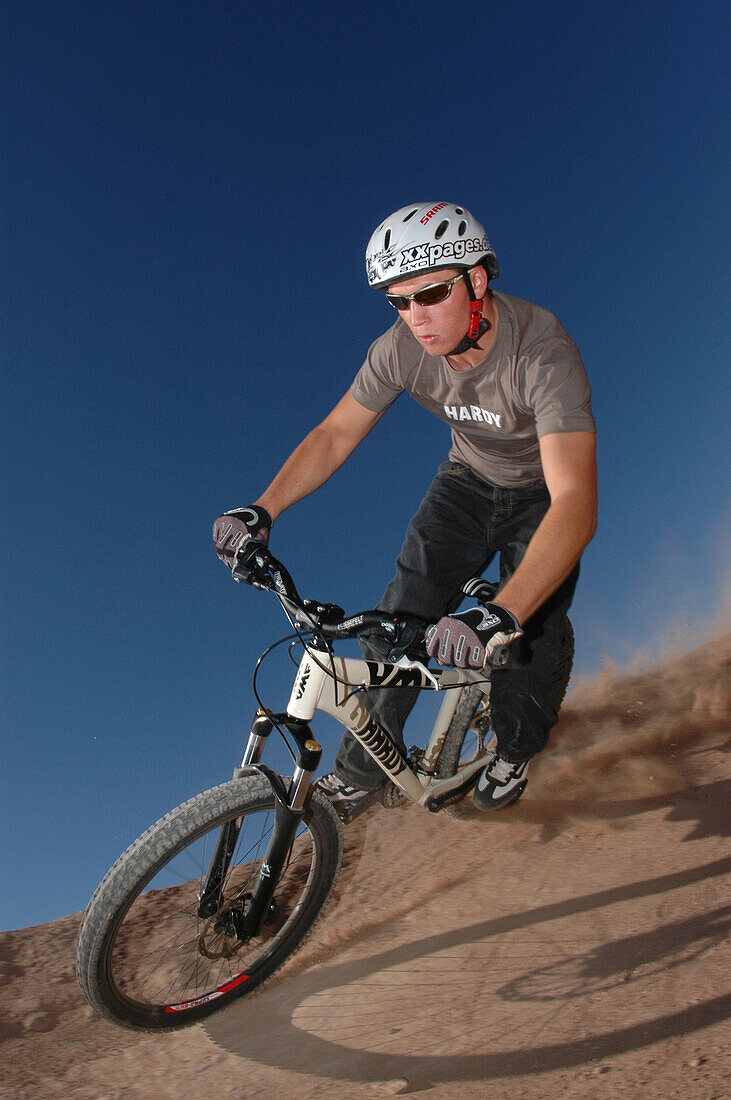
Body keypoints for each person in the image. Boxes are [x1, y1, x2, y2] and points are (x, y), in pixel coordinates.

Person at [213, 201, 597, 812]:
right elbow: (335, 433)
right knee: (399, 613)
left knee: (529, 632)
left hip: (541, 494)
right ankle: (365, 772)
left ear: (476, 279)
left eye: (431, 294)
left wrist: (502, 613)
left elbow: (576, 500)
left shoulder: (542, 352)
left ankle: (515, 749)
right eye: (398, 301)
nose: (414, 318)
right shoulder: (399, 349)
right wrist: (263, 510)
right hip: (466, 484)